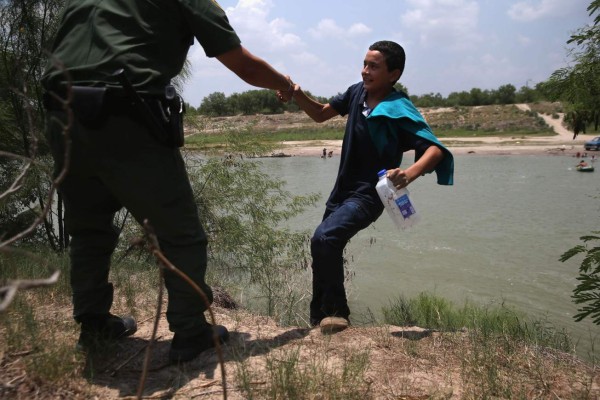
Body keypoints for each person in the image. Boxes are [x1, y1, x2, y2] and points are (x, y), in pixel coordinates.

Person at [41, 0, 294, 362]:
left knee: (89, 229)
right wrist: (285, 84)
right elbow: (242, 63)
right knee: (180, 233)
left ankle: (93, 324)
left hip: (60, 116)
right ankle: (191, 331)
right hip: (123, 115)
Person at [278, 40, 454, 334]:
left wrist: (408, 174)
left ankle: (336, 313)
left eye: (373, 66)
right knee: (322, 247)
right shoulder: (356, 93)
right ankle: (318, 317)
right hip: (342, 190)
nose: (365, 71)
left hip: (371, 193)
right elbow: (320, 113)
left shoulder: (399, 108)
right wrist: (298, 94)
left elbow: (435, 150)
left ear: (393, 74)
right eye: (364, 64)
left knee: (325, 238)